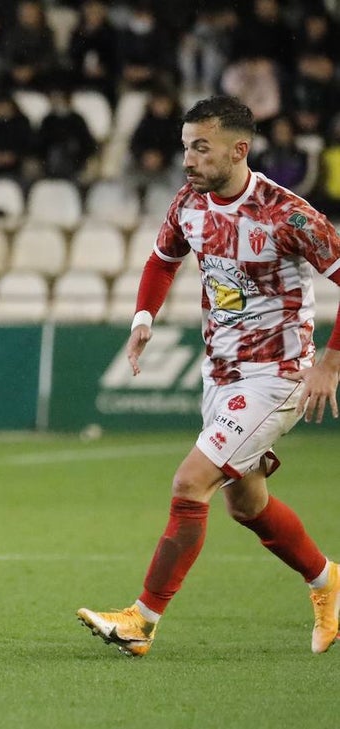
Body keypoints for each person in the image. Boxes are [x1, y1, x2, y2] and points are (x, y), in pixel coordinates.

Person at [77, 96, 340, 658]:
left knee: (189, 483)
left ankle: (140, 621)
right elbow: (161, 257)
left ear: (238, 150)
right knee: (246, 504)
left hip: (277, 375)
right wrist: (144, 317)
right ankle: (327, 581)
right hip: (220, 374)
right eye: (185, 147)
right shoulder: (189, 203)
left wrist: (331, 362)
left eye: (201, 147)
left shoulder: (287, 215)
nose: (188, 159)